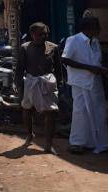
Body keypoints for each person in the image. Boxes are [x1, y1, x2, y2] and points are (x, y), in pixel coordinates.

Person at [61, 15, 108, 155]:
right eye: (96, 26)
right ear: (88, 28)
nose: (99, 29)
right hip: (80, 83)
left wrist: (100, 70)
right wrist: (88, 68)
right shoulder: (73, 40)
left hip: (95, 83)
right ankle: (77, 143)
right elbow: (65, 59)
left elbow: (96, 62)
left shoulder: (95, 42)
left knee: (98, 112)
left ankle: (98, 143)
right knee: (80, 112)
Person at [14, 22, 59, 154]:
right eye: (40, 34)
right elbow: (19, 68)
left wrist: (60, 84)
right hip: (31, 82)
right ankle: (29, 134)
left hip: (48, 83)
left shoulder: (53, 48)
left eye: (45, 34)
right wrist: (17, 84)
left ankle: (48, 144)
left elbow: (58, 67)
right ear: (32, 35)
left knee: (51, 112)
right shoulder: (25, 48)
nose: (43, 37)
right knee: (27, 109)